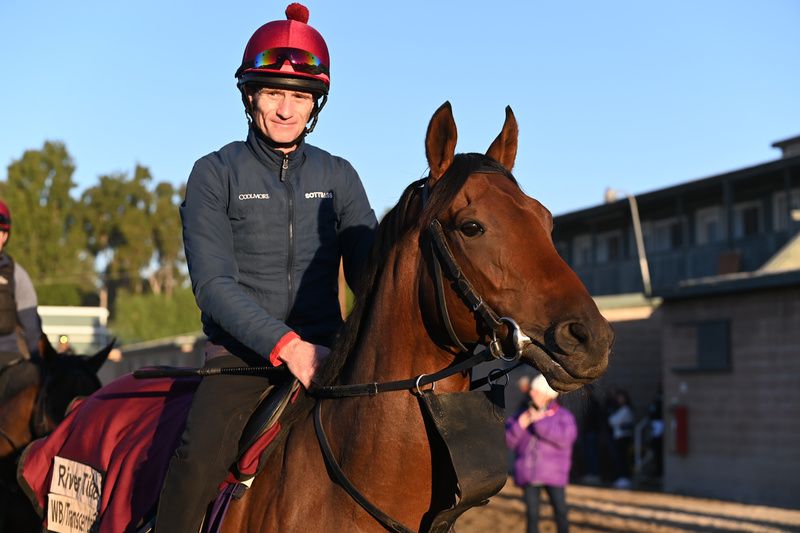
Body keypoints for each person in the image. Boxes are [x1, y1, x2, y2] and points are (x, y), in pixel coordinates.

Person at [154, 4, 377, 531]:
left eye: (300, 96)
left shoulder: (340, 176)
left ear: (315, 103)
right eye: (273, 92)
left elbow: (372, 272)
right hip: (241, 362)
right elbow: (212, 287)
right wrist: (288, 347)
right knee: (195, 462)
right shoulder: (213, 173)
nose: (285, 109)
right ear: (249, 95)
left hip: (332, 354)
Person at [506, 374, 578, 533]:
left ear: (547, 395)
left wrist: (539, 422)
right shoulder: (522, 414)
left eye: (536, 391)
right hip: (529, 474)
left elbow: (566, 439)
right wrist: (520, 425)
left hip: (554, 475)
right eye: (532, 391)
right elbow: (508, 441)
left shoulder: (563, 416)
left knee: (560, 512)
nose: (531, 394)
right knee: (532, 515)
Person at [0, 199, 42, 362]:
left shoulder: (17, 275)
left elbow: (31, 327)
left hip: (7, 361)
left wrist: (38, 363)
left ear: (5, 236)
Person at [607, 388, 635, 489]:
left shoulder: (626, 409)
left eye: (621, 397)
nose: (619, 399)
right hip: (618, 436)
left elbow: (612, 421)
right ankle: (621, 477)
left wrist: (613, 419)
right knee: (619, 458)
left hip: (623, 437)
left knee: (622, 458)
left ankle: (625, 478)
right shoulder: (619, 409)